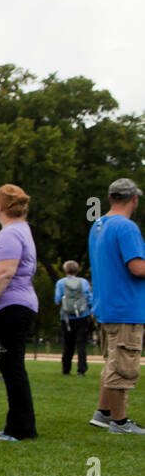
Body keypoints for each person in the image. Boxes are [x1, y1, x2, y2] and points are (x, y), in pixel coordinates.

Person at [0, 184, 40, 441]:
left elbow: (5, 272)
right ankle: (17, 423)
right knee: (5, 363)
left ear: (0, 206)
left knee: (12, 368)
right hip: (10, 307)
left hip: (8, 307)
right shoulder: (19, 231)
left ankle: (21, 428)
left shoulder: (11, 235)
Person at [87, 178, 145, 434]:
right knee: (122, 364)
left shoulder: (98, 225)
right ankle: (120, 423)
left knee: (112, 360)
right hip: (126, 307)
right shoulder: (127, 227)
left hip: (105, 306)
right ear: (134, 199)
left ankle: (104, 412)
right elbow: (137, 267)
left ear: (110, 198)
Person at [55, 260, 93, 377]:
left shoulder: (61, 283)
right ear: (77, 270)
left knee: (68, 344)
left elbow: (57, 300)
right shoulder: (84, 282)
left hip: (66, 317)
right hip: (82, 315)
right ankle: (81, 370)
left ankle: (66, 369)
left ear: (65, 270)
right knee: (81, 344)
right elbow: (90, 298)